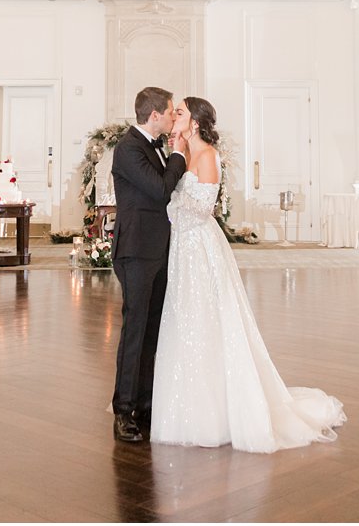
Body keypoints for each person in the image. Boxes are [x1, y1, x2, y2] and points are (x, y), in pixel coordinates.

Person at [149, 96, 346, 453]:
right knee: (185, 320)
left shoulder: (207, 155)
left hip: (199, 247)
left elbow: (202, 208)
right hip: (182, 247)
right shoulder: (183, 153)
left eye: (180, 112)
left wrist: (170, 206)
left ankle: (222, 412)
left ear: (194, 123)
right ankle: (186, 407)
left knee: (208, 320)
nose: (173, 116)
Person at [110, 86, 188, 443]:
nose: (174, 118)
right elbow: (159, 190)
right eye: (171, 112)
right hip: (137, 252)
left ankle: (144, 402)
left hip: (158, 250)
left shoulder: (147, 147)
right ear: (155, 115)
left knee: (152, 331)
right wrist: (177, 155)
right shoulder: (128, 148)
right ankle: (123, 410)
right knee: (134, 331)